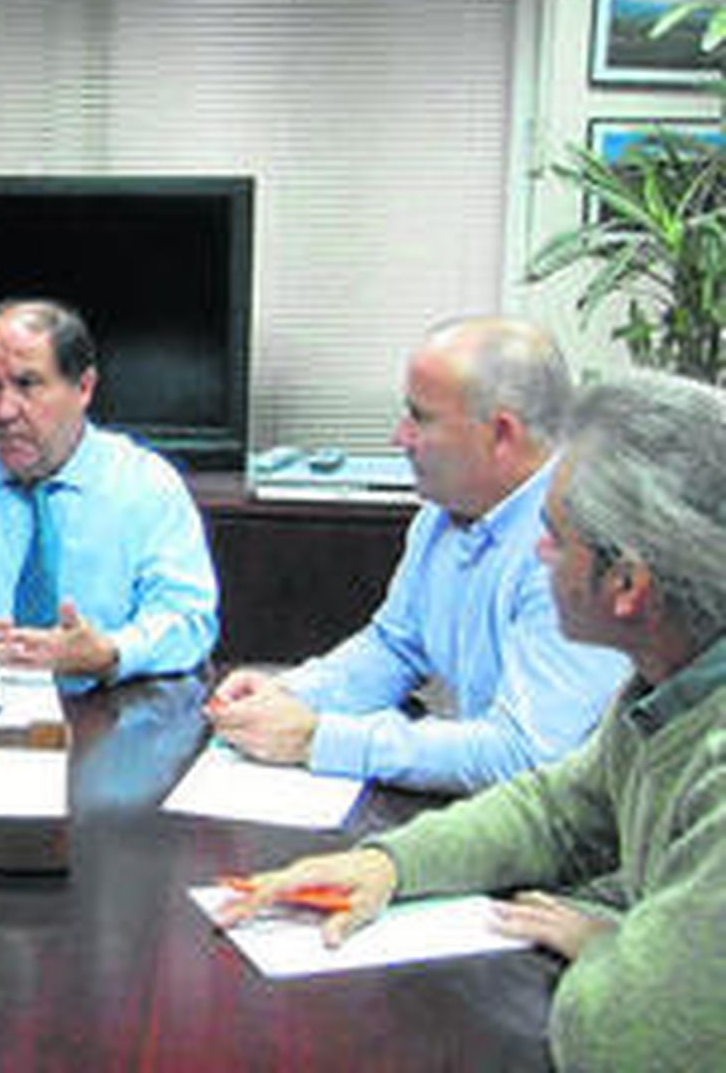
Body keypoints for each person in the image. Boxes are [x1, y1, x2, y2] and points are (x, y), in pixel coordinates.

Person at [218, 372, 726, 1070]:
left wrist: (607, 939)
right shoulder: (667, 682)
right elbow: (555, 810)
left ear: (628, 586)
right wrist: (389, 864)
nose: (537, 552)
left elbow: (624, 1041)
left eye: (555, 537)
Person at [205, 317, 629, 792]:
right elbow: (395, 646)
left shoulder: (577, 548)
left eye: (420, 418)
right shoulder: (444, 511)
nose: (399, 438)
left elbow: (527, 755)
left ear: (501, 433)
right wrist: (290, 695)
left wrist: (316, 740)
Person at [0, 297, 219, 687]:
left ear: (83, 387)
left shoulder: (147, 485)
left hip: (101, 710)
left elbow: (190, 620)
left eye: (26, 384)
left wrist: (111, 652)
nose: (3, 411)